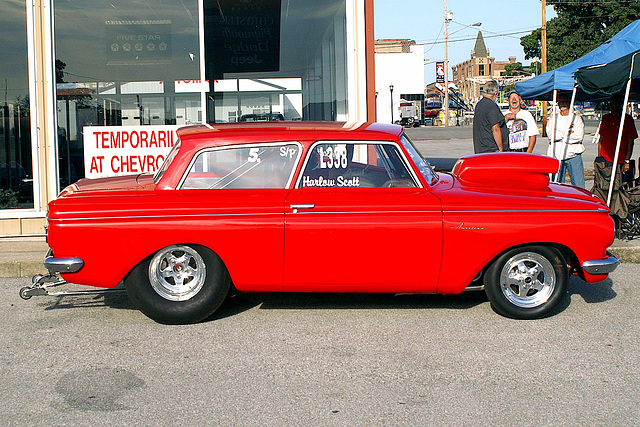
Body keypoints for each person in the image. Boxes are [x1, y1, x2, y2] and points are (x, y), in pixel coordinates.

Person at [546, 92, 586, 188]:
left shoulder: (576, 118)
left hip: (573, 154)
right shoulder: (553, 118)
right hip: (557, 154)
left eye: (565, 101)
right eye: (561, 102)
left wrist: (560, 134)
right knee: (557, 184)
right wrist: (567, 133)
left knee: (579, 185)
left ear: (570, 103)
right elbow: (551, 135)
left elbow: (578, 136)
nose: (563, 104)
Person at [598, 91, 637, 174]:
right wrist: (599, 157)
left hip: (620, 159)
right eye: (611, 103)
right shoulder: (606, 118)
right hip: (605, 158)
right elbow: (601, 138)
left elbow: (630, 142)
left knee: (619, 184)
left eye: (615, 103)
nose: (612, 106)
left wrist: (627, 161)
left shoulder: (627, 120)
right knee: (604, 184)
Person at [473, 80, 512, 153]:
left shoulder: (479, 105)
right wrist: (501, 149)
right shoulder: (491, 106)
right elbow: (495, 128)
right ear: (496, 93)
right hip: (492, 149)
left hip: (481, 149)